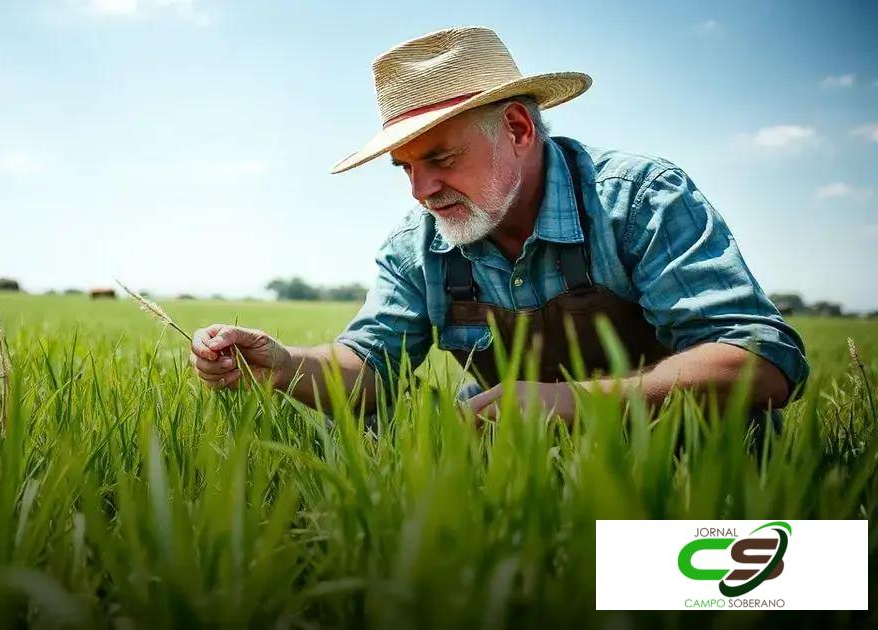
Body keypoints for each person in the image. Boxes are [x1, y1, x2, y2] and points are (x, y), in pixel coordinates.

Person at [188, 26, 808, 424]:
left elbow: (762, 361)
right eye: (406, 168)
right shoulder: (418, 247)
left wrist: (574, 404)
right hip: (514, 484)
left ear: (517, 127)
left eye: (441, 158)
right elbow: (370, 366)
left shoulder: (639, 199)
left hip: (690, 470)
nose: (421, 191)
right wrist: (282, 365)